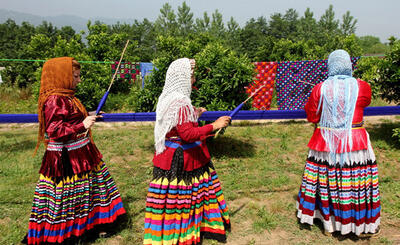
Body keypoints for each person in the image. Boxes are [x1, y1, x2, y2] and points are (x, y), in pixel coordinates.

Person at [25, 57, 126, 244]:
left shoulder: (67, 97)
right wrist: (82, 125)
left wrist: (91, 116)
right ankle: (69, 231)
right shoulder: (54, 99)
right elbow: (54, 130)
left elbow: (71, 119)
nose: (79, 80)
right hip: (66, 159)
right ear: (62, 76)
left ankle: (94, 223)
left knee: (90, 191)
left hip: (81, 152)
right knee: (67, 198)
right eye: (76, 76)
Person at [143, 58, 231, 244]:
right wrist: (214, 125)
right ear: (181, 78)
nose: (194, 79)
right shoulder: (181, 103)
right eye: (191, 75)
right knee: (186, 199)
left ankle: (167, 231)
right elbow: (188, 134)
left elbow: (175, 126)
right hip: (182, 159)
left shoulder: (169, 99)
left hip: (169, 154)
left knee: (172, 201)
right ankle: (185, 233)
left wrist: (194, 115)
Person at [296, 50, 380, 236]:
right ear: (348, 64)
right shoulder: (363, 87)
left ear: (330, 65)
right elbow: (364, 103)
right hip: (355, 141)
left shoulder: (320, 88)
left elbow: (312, 116)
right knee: (353, 184)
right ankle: (356, 223)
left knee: (327, 182)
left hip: (326, 142)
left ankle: (329, 224)